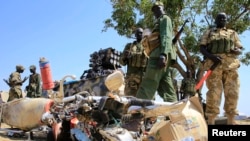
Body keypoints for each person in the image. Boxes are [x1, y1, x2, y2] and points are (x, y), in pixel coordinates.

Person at [199, 12, 243, 125]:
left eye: (224, 18)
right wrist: (212, 57)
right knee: (213, 94)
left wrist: (235, 51)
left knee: (233, 93)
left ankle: (231, 121)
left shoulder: (232, 33)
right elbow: (202, 48)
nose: (222, 19)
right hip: (214, 66)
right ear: (216, 20)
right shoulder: (209, 33)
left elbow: (239, 48)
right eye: (220, 18)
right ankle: (211, 123)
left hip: (230, 66)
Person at [136, 1, 177, 102]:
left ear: (161, 8)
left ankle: (137, 109)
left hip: (158, 56)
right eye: (154, 10)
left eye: (157, 9)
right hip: (161, 57)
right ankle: (175, 112)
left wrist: (163, 55)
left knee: (148, 83)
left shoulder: (164, 19)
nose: (155, 12)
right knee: (166, 88)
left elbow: (166, 36)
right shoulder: (160, 20)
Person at [119, 28, 148, 96]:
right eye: (138, 33)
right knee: (130, 99)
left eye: (141, 33)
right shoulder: (129, 46)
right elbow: (121, 62)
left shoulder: (147, 45)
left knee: (145, 100)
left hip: (144, 77)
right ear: (135, 35)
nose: (139, 34)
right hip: (131, 78)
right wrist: (125, 56)